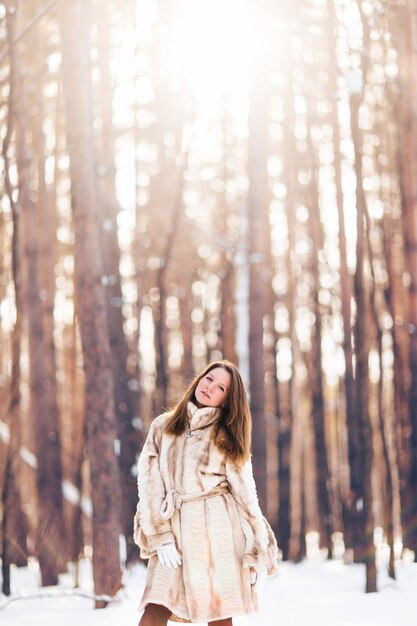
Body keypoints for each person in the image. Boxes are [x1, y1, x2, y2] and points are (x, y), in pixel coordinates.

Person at [133, 360, 279, 625]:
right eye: (209, 379)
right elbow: (149, 482)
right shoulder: (163, 426)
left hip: (218, 536)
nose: (210, 387)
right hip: (173, 533)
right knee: (155, 608)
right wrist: (159, 534)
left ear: (226, 400)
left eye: (220, 387)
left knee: (219, 616)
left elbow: (246, 495)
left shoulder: (227, 436)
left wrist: (257, 548)